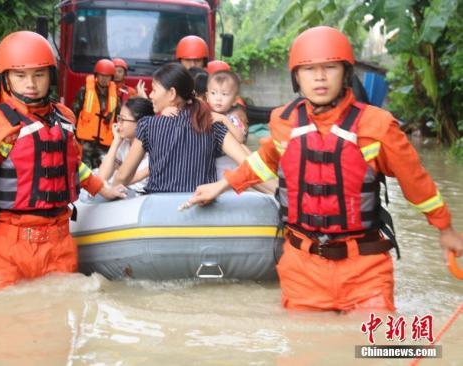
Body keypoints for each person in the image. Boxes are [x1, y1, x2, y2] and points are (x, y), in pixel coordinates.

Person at [189, 26, 463, 312]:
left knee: (370, 350)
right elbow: (264, 161)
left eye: (329, 67)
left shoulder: (379, 127)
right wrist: (221, 186)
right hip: (302, 266)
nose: (319, 77)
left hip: (365, 268)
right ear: (296, 77)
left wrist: (445, 228)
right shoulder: (284, 123)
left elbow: (415, 181)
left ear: (345, 73)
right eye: (309, 69)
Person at [0, 31, 126, 303]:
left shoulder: (64, 119)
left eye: (39, 75)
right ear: (6, 78)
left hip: (59, 243)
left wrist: (103, 189)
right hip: (8, 247)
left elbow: (72, 166)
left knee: (56, 333)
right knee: (3, 330)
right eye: (20, 76)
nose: (30, 84)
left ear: (50, 76)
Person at [113, 63, 248, 193]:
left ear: (172, 93)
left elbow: (123, 177)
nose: (150, 95)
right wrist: (220, 186)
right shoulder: (212, 124)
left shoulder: (148, 126)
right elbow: (249, 164)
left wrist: (109, 190)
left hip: (158, 209)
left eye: (154, 90)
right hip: (200, 207)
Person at [98, 97, 154, 193]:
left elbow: (123, 181)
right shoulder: (125, 143)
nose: (118, 123)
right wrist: (116, 140)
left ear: (140, 123)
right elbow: (102, 177)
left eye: (122, 119)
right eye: (118, 118)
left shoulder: (155, 148)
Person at [73, 59, 120, 168]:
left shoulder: (114, 97)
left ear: (111, 78)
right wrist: (73, 134)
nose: (104, 79)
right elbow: (74, 111)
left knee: (102, 173)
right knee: (84, 172)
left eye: (107, 76)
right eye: (101, 75)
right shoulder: (85, 91)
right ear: (96, 75)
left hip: (104, 144)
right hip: (86, 142)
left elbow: (118, 118)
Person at [207, 70, 249, 145]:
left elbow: (241, 139)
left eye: (224, 94)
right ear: (207, 96)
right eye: (213, 93)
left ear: (234, 100)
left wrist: (225, 120)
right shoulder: (203, 113)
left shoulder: (232, 118)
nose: (218, 98)